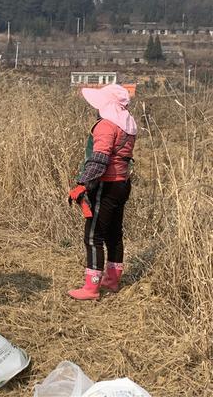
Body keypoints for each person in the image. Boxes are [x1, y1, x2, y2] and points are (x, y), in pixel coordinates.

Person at [68, 84, 137, 300]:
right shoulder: (127, 125)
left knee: (93, 235)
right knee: (114, 234)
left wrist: (82, 184)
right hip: (122, 184)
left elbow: (99, 160)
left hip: (106, 185)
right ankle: (112, 280)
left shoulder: (106, 126)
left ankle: (91, 288)